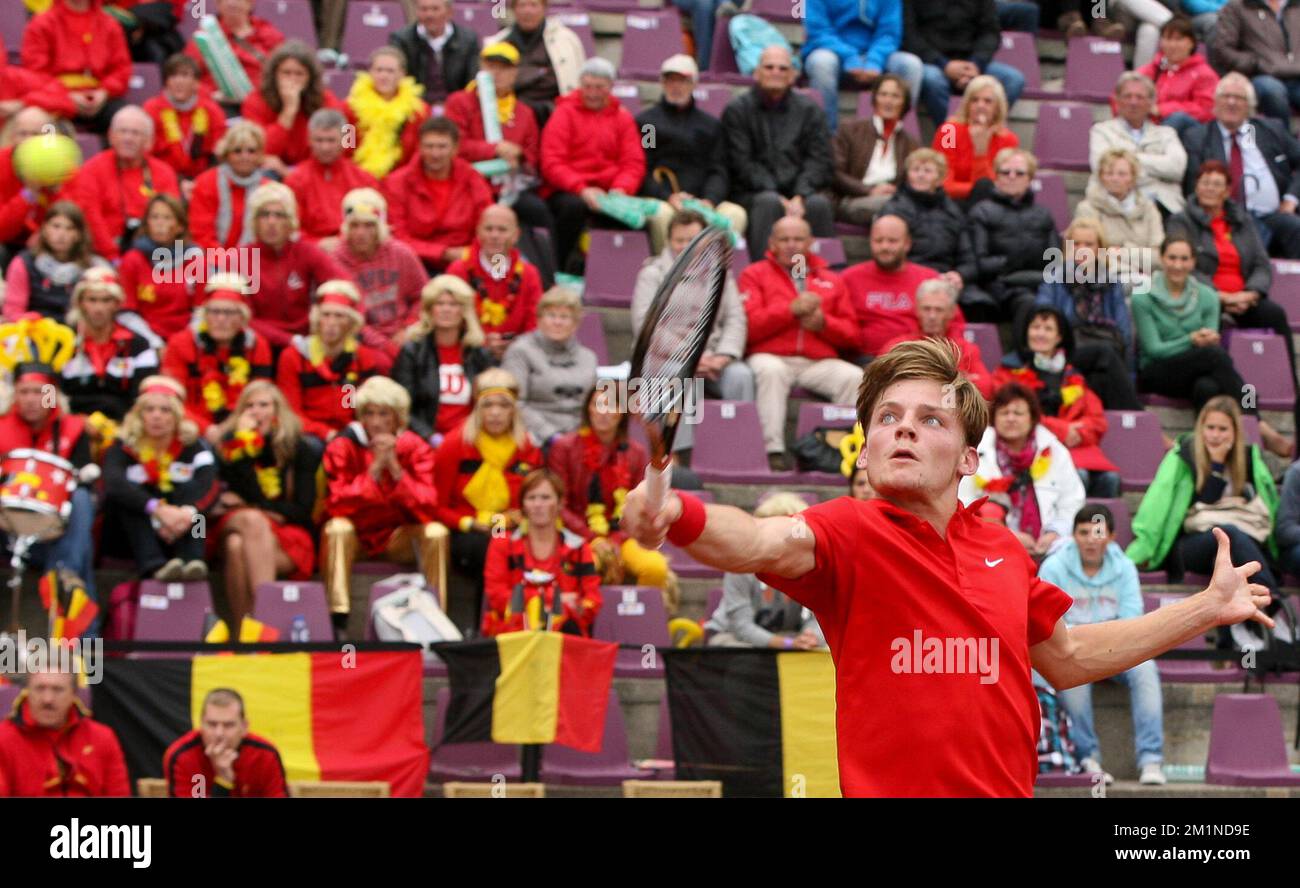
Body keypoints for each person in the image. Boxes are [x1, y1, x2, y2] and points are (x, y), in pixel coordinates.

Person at [618, 337, 1274, 797]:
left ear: (967, 458)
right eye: (887, 417)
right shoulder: (849, 532)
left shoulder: (1003, 549)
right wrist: (675, 513)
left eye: (930, 418)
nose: (902, 429)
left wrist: (1206, 609)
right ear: (867, 446)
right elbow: (759, 541)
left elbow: (1069, 657)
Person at [1127, 395, 1280, 650]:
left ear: (1234, 432)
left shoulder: (1248, 459)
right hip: (1186, 546)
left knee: (1225, 557)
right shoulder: (1184, 455)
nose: (1215, 436)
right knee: (1228, 534)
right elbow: (1158, 504)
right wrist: (1140, 551)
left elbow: (1268, 506)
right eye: (1210, 428)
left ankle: (1235, 631)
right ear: (1200, 428)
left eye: (1223, 429)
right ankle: (1271, 600)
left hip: (1231, 549)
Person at [1166, 159, 1300, 433]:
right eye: (1205, 182)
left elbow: (1262, 263)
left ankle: (1292, 388)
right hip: (1205, 298)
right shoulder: (1182, 220)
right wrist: (1220, 296)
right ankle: (1251, 418)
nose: (1210, 189)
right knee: (1210, 358)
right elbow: (1181, 266)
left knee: (1274, 313)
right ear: (1196, 186)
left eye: (1217, 184)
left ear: (1228, 190)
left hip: (1244, 295)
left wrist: (1251, 293)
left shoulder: (1241, 219)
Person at [1037, 504, 1167, 786]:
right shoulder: (1053, 567)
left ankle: (1151, 759)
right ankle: (1088, 757)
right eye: (1083, 532)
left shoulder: (1125, 568)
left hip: (1117, 649)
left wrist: (1104, 643)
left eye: (1098, 533)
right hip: (1072, 650)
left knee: (1146, 668)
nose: (1091, 540)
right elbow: (1048, 623)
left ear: (1110, 537)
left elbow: (1133, 621)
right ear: (1073, 536)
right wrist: (1084, 644)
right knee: (1068, 669)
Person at [1133, 234, 1293, 456]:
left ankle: (1207, 453)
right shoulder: (1143, 297)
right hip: (1157, 371)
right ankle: (1257, 421)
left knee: (1207, 387)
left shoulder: (1207, 296)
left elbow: (1210, 340)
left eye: (1184, 259)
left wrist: (1204, 340)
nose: (1178, 265)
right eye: (1172, 258)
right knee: (1215, 356)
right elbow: (1154, 349)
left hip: (1198, 368)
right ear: (1161, 259)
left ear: (1193, 262)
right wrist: (1190, 340)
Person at [321, 376, 446, 636]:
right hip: (356, 537)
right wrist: (374, 471)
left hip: (397, 537)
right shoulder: (343, 446)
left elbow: (428, 507)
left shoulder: (415, 448)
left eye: (383, 414)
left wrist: (397, 471)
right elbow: (336, 504)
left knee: (436, 532)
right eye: (369, 414)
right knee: (336, 528)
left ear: (398, 419)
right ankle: (338, 619)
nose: (375, 422)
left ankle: (438, 616)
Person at [741, 216, 863, 469]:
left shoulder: (832, 279)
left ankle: (846, 453)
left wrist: (824, 324)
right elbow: (748, 329)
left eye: (798, 239)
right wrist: (789, 310)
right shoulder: (754, 274)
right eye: (784, 239)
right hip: (771, 356)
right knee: (770, 371)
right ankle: (772, 453)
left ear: (810, 242)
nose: (791, 245)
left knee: (854, 377)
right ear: (772, 243)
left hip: (817, 362)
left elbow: (853, 337)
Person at [631, 209, 754, 455]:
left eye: (692, 240)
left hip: (713, 357)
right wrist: (690, 356)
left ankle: (737, 451)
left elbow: (735, 320)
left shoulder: (721, 275)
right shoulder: (652, 274)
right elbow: (646, 325)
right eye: (679, 240)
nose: (686, 247)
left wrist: (724, 356)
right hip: (664, 359)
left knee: (741, 376)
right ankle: (677, 455)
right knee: (679, 376)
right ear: (668, 241)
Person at [432, 367, 542, 630]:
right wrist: (470, 523)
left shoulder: (527, 448)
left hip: (506, 525)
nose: (494, 412)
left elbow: (536, 498)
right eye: (487, 405)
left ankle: (526, 623)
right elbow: (435, 505)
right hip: (466, 529)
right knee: (492, 549)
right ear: (477, 409)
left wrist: (520, 514)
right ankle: (484, 626)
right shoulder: (454, 445)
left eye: (503, 405)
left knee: (509, 543)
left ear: (513, 409)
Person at [214, 380, 321, 625]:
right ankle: (266, 624)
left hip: (288, 534)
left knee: (235, 545)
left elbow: (302, 510)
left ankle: (248, 633)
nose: (255, 411)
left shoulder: (300, 447)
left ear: (277, 410)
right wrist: (243, 446)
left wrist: (255, 507)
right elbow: (227, 497)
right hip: (239, 521)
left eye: (263, 404)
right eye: (248, 406)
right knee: (249, 523)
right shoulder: (228, 446)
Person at [0, 359, 98, 621]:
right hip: (6, 524)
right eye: (24, 392)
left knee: (81, 498)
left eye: (39, 392)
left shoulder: (74, 428)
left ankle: (66, 576)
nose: (31, 399)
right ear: (15, 395)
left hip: (54, 529)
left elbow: (84, 475)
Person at [547, 386, 671, 591]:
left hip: (622, 536)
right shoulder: (565, 448)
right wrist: (593, 538)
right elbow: (558, 505)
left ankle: (642, 621)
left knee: (655, 567)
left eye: (610, 405)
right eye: (597, 404)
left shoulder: (636, 453)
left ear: (622, 413)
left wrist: (616, 539)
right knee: (590, 565)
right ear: (589, 410)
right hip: (578, 535)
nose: (603, 412)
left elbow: (640, 506)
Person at [994, 306, 1123, 498]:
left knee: (1110, 479)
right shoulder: (1008, 373)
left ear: (1059, 337)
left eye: (1048, 329)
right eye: (1035, 327)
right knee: (1079, 476)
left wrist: (1078, 431)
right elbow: (1009, 415)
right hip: (1032, 451)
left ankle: (1094, 526)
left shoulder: (1073, 376)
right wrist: (1063, 429)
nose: (1040, 334)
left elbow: (1097, 421)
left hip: (1079, 452)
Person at [723, 46, 835, 261]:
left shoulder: (810, 110)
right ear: (756, 73)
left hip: (801, 192)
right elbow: (741, 163)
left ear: (793, 75)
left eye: (783, 68)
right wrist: (777, 194)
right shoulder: (737, 110)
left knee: (818, 204)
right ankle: (761, 275)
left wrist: (800, 195)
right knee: (768, 203)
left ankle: (825, 280)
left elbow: (820, 159)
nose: (776, 72)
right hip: (753, 192)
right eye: (769, 67)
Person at [103, 375, 219, 580]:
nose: (157, 416)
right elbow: (113, 484)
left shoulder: (194, 446)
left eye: (165, 410)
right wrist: (157, 509)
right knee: (131, 498)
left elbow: (211, 484)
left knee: (198, 506)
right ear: (139, 415)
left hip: (185, 528)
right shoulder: (123, 446)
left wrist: (187, 513)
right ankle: (154, 566)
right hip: (134, 534)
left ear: (176, 416)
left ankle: (194, 560)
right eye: (150, 410)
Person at [443, 42, 554, 256]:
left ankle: (547, 275)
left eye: (504, 68)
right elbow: (454, 146)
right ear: (481, 69)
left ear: (515, 73)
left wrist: (519, 158)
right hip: (466, 183)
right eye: (491, 66)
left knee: (538, 211)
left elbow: (532, 154)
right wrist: (494, 150)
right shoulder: (460, 103)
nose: (497, 73)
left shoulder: (524, 112)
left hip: (509, 186)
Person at [540, 57, 646, 272]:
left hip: (610, 190)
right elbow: (552, 162)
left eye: (599, 87)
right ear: (580, 85)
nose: (593, 93)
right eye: (588, 86)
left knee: (629, 213)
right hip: (570, 190)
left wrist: (621, 189)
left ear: (610, 87)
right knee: (573, 207)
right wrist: (582, 189)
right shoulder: (564, 113)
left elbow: (633, 162)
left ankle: (616, 273)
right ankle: (557, 268)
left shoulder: (623, 118)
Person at [959, 382, 1087, 558]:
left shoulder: (1054, 450)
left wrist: (1054, 533)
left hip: (1049, 548)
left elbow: (1072, 501)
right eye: (1004, 413)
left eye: (1018, 413)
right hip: (991, 546)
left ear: (1032, 417)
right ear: (994, 418)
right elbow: (963, 503)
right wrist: (1007, 536)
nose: (1011, 418)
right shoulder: (974, 452)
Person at [1180, 73, 1300, 260]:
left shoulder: (1266, 129)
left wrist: (1291, 199)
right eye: (1226, 96)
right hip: (1226, 218)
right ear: (1216, 102)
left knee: (1296, 228)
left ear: (1249, 106)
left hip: (1270, 215)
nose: (1232, 103)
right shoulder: (1198, 137)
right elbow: (1192, 185)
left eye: (1239, 98)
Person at [636, 54, 746, 254]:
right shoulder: (649, 124)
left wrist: (710, 200)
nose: (676, 86)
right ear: (662, 83)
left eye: (683, 80)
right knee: (661, 215)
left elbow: (718, 169)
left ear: (694, 84)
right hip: (665, 199)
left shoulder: (710, 126)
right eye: (671, 80)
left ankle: (715, 273)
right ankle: (666, 270)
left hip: (702, 199)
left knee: (735, 213)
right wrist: (668, 196)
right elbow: (644, 166)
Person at [481, 468, 602, 635]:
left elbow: (592, 602)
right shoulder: (501, 544)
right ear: (523, 504)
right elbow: (498, 597)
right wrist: (556, 600)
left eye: (545, 497)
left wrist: (535, 602)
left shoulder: (579, 548)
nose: (538, 504)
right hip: (512, 636)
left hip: (564, 637)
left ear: (560, 503)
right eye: (531, 498)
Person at [1034, 217, 1140, 401]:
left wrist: (1129, 378)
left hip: (1105, 359)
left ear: (1100, 249)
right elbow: (1041, 323)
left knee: (1099, 378)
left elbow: (1124, 336)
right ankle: (1139, 417)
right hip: (1066, 352)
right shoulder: (1053, 278)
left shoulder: (1112, 283)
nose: (1082, 250)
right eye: (1076, 244)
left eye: (1089, 244)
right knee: (1104, 352)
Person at [162, 274, 275, 445]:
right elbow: (171, 399)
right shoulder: (180, 343)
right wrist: (206, 429)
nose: (221, 319)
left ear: (242, 317)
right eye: (214, 311)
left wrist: (235, 425)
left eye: (229, 312)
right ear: (204, 315)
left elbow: (260, 396)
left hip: (243, 421)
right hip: (193, 425)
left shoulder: (257, 346)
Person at [704, 493, 826, 649]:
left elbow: (819, 617)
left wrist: (811, 637)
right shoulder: (741, 566)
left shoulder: (809, 568)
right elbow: (741, 627)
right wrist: (787, 644)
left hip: (788, 642)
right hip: (733, 640)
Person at [242, 181, 354, 350]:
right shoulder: (241, 258)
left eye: (279, 215)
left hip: (308, 338)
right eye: (264, 215)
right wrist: (290, 340)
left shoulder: (306, 252)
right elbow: (241, 317)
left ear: (291, 222)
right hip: (259, 343)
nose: (271, 222)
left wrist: (324, 319)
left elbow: (344, 286)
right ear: (254, 222)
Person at [65, 106, 180, 262]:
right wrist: (113, 256)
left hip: (153, 253)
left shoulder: (163, 173)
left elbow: (171, 219)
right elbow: (91, 218)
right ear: (111, 136)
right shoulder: (92, 169)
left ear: (148, 141)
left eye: (135, 133)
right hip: (103, 255)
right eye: (122, 131)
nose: (128, 138)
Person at [331, 188, 429, 370]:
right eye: (355, 226)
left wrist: (408, 328)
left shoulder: (401, 253)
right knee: (380, 364)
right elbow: (345, 315)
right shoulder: (335, 261)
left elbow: (424, 297)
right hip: (361, 338)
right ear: (345, 228)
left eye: (369, 226)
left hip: (405, 333)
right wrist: (384, 345)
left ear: (380, 227)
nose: (361, 233)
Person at [276, 280, 385, 441]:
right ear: (316, 319)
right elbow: (292, 412)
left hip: (351, 432)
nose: (331, 323)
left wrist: (354, 432)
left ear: (351, 322)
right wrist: (327, 433)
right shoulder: (293, 356)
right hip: (310, 434)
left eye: (339, 316)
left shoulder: (362, 357)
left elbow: (369, 407)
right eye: (326, 315)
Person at [393, 274, 495, 445]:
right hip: (426, 440)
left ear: (464, 311)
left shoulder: (479, 354)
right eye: (440, 304)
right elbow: (401, 406)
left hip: (472, 439)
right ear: (429, 310)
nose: (446, 309)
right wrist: (429, 436)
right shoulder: (412, 352)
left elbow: (491, 403)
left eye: (453, 304)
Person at [385, 117, 494, 271]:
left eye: (442, 147)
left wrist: (473, 253)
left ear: (455, 148)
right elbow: (397, 237)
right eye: (429, 146)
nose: (435, 153)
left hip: (466, 260)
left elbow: (487, 223)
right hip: (413, 263)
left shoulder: (472, 178)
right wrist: (443, 253)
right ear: (419, 147)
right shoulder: (397, 182)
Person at [964, 147, 1060, 324]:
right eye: (1005, 172)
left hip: (1040, 283)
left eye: (1019, 173)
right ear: (996, 177)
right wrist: (1012, 262)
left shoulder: (1043, 214)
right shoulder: (982, 212)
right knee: (1029, 302)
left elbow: (1055, 261)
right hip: (1002, 287)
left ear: (1029, 179)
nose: (1012, 176)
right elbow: (980, 263)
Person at [0, 669, 128, 797]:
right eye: (39, 688)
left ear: (74, 694)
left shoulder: (102, 737)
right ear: (27, 691)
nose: (47, 699)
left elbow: (118, 794)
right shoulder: (4, 738)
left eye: (57, 689)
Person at [802, 0, 923, 132]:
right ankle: (826, 136)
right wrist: (850, 57)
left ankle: (896, 135)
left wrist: (874, 60)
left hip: (876, 56)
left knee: (911, 65)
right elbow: (818, 31)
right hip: (833, 53)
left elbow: (889, 33)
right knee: (821, 63)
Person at [61, 265, 160, 423]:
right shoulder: (63, 341)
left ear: (117, 304)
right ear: (80, 303)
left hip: (125, 425)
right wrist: (60, 417)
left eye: (106, 300)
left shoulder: (138, 345)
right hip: (72, 425)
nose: (98, 308)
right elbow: (48, 387)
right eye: (92, 300)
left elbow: (146, 394)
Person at [501, 286, 597, 448]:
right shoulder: (520, 351)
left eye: (565, 317)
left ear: (575, 324)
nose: (557, 322)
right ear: (539, 319)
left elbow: (593, 404)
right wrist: (551, 435)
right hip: (534, 438)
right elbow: (514, 402)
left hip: (579, 438)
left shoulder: (588, 357)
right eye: (551, 315)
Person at [904, 0, 1025, 128]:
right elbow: (910, 36)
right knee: (932, 80)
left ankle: (984, 132)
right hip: (932, 61)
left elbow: (991, 32)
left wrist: (976, 64)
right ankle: (952, 136)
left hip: (973, 62)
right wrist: (944, 64)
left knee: (1014, 79)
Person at [446, 204, 543, 361]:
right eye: (489, 229)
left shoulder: (529, 274)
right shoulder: (459, 270)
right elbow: (450, 321)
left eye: (502, 230)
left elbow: (535, 322)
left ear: (516, 235)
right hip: (468, 355)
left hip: (518, 356)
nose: (494, 235)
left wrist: (514, 346)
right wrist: (483, 343)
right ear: (478, 231)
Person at [240, 41, 353, 175]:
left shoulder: (327, 100)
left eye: (299, 74)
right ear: (274, 74)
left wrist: (290, 172)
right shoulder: (255, 101)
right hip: (271, 173)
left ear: (310, 78)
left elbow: (348, 140)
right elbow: (256, 150)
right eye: (286, 73)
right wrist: (288, 111)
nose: (292, 79)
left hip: (314, 172)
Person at [21, 0, 131, 133]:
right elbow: (35, 72)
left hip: (100, 98)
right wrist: (67, 96)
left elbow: (122, 68)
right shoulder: (42, 23)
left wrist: (104, 92)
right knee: (39, 121)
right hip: (57, 98)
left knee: (128, 122)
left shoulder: (110, 24)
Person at [1089, 73, 1189, 217]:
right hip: (1112, 206)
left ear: (1151, 102)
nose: (1133, 102)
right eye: (1127, 96)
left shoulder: (1167, 133)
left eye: (1139, 97)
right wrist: (1157, 170)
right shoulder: (1101, 131)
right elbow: (1100, 167)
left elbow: (1177, 168)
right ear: (1117, 100)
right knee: (1072, 237)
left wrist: (1128, 162)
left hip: (1164, 207)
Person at [842, 215, 940, 359]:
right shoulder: (848, 278)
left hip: (916, 359)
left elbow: (953, 324)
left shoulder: (928, 278)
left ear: (907, 244)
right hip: (863, 360)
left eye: (892, 241)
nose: (884, 247)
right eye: (878, 240)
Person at [880, 277, 993, 399]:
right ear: (917, 310)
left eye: (939, 310)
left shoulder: (966, 349)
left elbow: (985, 388)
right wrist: (957, 382)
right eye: (926, 309)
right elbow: (878, 382)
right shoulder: (898, 347)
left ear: (952, 312)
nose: (932, 316)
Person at [163, 688, 288, 798]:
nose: (219, 734)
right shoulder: (182, 756)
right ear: (200, 724)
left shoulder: (265, 755)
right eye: (212, 724)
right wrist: (223, 781)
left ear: (244, 727)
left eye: (228, 725)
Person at [879, 148, 976, 290]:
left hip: (946, 277)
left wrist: (960, 274)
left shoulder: (953, 211)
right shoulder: (894, 208)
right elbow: (889, 253)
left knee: (980, 303)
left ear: (940, 179)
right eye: (915, 170)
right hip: (907, 275)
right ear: (907, 175)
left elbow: (968, 256)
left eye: (927, 171)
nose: (921, 175)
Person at [832, 74, 920, 226]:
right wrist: (869, 190)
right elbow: (835, 172)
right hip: (853, 199)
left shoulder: (911, 143)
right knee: (901, 207)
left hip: (893, 200)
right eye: (883, 94)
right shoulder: (849, 130)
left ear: (904, 104)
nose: (888, 101)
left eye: (895, 96)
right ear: (874, 99)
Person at [283, 109, 380, 247]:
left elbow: (376, 223)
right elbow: (290, 228)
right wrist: (317, 244)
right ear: (309, 140)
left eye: (331, 140)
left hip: (357, 250)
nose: (325, 147)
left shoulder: (364, 180)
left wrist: (344, 242)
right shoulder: (295, 180)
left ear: (344, 140)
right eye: (319, 140)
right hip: (312, 253)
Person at [484, 0, 586, 123]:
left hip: (555, 114)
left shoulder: (567, 40)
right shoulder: (497, 42)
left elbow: (569, 81)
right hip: (509, 116)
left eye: (533, 5)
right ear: (514, 9)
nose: (528, 11)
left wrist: (522, 77)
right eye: (522, 5)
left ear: (544, 8)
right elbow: (496, 82)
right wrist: (541, 72)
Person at [117, 193, 201, 341]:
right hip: (144, 337)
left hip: (187, 337)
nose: (160, 223)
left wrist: (183, 342)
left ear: (180, 226)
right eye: (154, 217)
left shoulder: (195, 259)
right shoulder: (133, 259)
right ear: (146, 223)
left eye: (167, 218)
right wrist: (154, 342)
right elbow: (126, 312)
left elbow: (201, 310)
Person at [3, 202, 106, 322]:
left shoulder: (93, 267)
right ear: (45, 229)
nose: (61, 234)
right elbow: (13, 311)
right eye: (56, 226)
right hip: (35, 330)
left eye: (70, 228)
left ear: (78, 234)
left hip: (79, 331)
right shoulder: (23, 263)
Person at [1074, 149, 1165, 281]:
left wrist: (1121, 252)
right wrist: (1139, 255)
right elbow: (1089, 253)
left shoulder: (1149, 209)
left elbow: (1159, 257)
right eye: (1109, 173)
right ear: (1101, 177)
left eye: (1122, 174)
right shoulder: (1087, 209)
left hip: (1148, 276)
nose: (1115, 179)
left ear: (1133, 178)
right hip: (1106, 277)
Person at [347, 46, 433, 180]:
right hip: (359, 179)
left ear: (402, 74)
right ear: (370, 72)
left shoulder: (419, 112)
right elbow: (347, 147)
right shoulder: (350, 109)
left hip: (404, 181)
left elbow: (419, 151)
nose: (384, 76)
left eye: (390, 71)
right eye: (379, 70)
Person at [144, 53, 229, 187]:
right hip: (163, 181)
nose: (178, 81)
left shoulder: (211, 110)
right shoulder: (152, 109)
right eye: (173, 75)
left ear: (196, 83)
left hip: (203, 181)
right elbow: (145, 155)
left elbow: (221, 152)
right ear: (166, 82)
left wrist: (201, 183)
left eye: (184, 75)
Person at [1210, 0, 1300, 125]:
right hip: (1260, 75)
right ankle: (1283, 140)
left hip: (1296, 74)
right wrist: (1256, 63)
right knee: (1272, 91)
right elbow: (1223, 49)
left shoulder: (1295, 5)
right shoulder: (1238, 7)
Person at [933, 75, 1019, 203]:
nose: (980, 105)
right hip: (951, 203)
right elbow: (944, 183)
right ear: (967, 104)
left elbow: (1001, 187)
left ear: (997, 108)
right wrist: (978, 190)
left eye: (987, 101)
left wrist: (981, 152)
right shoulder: (949, 131)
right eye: (974, 100)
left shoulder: (1008, 139)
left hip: (990, 207)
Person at [187, 121, 271, 251]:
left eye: (251, 151)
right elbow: (201, 235)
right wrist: (227, 262)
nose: (245, 157)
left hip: (256, 261)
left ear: (260, 155)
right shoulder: (206, 182)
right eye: (237, 151)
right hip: (212, 259)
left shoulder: (269, 190)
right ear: (226, 154)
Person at [183, 0, 284, 103]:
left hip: (261, 104)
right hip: (218, 104)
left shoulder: (270, 36)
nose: (232, 2)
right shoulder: (204, 38)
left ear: (250, 3)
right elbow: (186, 76)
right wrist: (210, 95)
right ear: (218, 4)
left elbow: (285, 74)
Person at [388, 0, 482, 106]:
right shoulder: (401, 40)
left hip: (456, 107)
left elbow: (472, 80)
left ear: (449, 12)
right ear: (416, 11)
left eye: (435, 9)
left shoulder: (468, 40)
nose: (429, 15)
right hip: (415, 107)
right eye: (424, 9)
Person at [1136, 16, 1219, 134]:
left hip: (1188, 133)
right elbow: (1125, 93)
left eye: (1178, 39)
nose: (1172, 45)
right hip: (1149, 126)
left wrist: (1163, 109)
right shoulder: (1152, 69)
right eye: (1167, 39)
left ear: (1191, 43)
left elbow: (1207, 109)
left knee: (1177, 119)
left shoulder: (1204, 74)